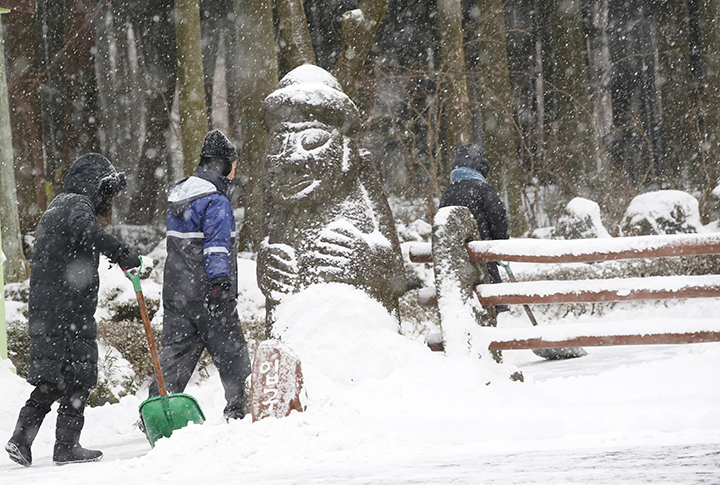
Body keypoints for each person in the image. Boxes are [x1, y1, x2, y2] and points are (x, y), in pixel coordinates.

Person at [5, 153, 141, 467]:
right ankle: (65, 446)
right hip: (69, 310)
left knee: (55, 378)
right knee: (79, 375)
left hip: (51, 309)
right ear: (96, 188)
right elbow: (90, 233)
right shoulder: (77, 206)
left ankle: (22, 440)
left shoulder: (56, 208)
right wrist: (121, 253)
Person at [150, 129, 251, 421]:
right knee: (232, 355)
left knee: (174, 356)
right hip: (209, 292)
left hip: (177, 292)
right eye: (233, 162)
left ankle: (159, 412)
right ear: (223, 163)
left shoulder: (179, 196)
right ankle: (240, 410)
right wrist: (220, 282)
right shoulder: (216, 201)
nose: (236, 169)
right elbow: (216, 246)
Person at [439, 144, 510, 312]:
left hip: (457, 260)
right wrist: (499, 244)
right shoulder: (483, 189)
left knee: (465, 305)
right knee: (492, 301)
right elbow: (498, 220)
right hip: (483, 255)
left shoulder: (448, 193)